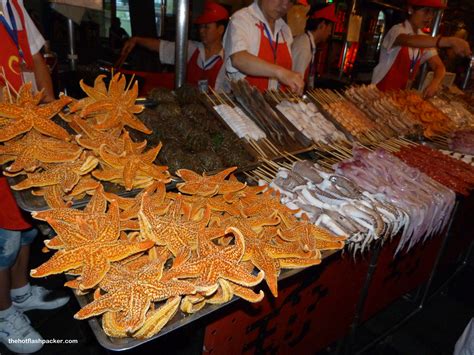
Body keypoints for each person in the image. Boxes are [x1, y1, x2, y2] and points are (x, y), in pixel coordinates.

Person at [0, 0, 69, 353]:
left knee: (24, 226)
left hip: (28, 132)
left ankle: (20, 292)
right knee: (1, 241)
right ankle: (2, 313)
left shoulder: (12, 5)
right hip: (3, 138)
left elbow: (36, 58)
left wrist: (49, 114)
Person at [118, 1, 229, 91]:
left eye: (206, 27)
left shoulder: (228, 61)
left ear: (220, 30)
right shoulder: (192, 49)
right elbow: (161, 46)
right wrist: (137, 39)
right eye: (200, 27)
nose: (202, 31)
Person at [371, 0, 471, 98]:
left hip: (399, 96)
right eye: (426, 11)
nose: (430, 16)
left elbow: (439, 66)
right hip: (380, 92)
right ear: (410, 9)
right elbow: (409, 41)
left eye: (432, 12)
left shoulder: (423, 38)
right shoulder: (397, 30)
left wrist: (435, 82)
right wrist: (450, 41)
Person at [223, 0, 305, 95]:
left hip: (275, 104)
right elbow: (238, 59)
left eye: (291, 1)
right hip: (244, 104)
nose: (285, 5)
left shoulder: (285, 30)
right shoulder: (242, 19)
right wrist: (280, 73)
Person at [292, 3, 337, 89]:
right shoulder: (303, 47)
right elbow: (296, 84)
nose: (330, 33)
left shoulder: (307, 42)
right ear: (322, 25)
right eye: (330, 28)